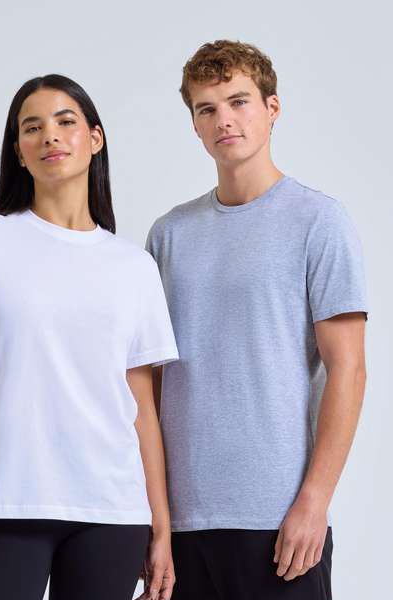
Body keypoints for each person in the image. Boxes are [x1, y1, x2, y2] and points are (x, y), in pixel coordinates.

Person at [0, 74, 179, 600]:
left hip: (113, 510)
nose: (50, 137)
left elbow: (142, 408)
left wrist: (161, 527)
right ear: (18, 151)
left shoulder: (134, 266)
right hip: (6, 503)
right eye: (32, 128)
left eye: (65, 122)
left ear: (95, 138)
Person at [143, 40, 368, 600]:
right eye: (207, 108)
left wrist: (314, 501)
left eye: (239, 101)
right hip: (184, 523)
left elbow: (349, 370)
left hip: (279, 519)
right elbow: (150, 383)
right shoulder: (168, 235)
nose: (224, 120)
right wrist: (155, 517)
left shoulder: (319, 222)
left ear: (272, 108)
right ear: (195, 126)